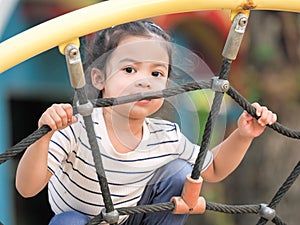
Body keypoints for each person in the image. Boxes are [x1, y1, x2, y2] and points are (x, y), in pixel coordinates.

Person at [15, 20, 277, 225]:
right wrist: (44, 136)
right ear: (98, 78)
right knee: (68, 221)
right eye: (129, 69)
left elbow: (214, 168)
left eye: (156, 73)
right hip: (81, 221)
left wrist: (243, 135)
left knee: (180, 171)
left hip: (131, 218)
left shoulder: (166, 136)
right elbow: (27, 188)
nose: (145, 81)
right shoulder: (77, 127)